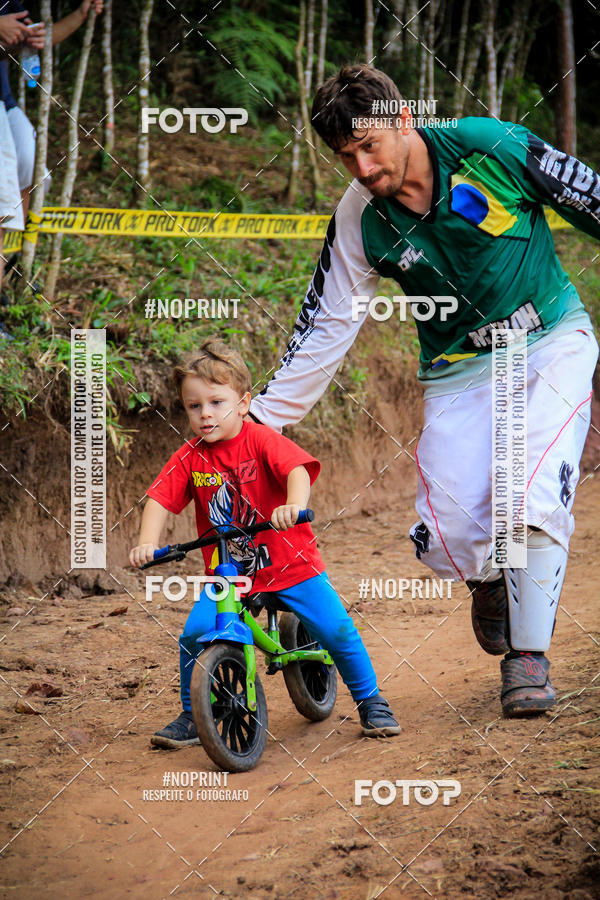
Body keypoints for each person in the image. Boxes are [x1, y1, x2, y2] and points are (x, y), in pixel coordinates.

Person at [248, 64, 600, 717]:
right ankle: (489, 578)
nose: (360, 165)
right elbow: (326, 324)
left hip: (549, 340)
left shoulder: (489, 146)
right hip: (458, 369)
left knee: (528, 493)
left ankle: (529, 659)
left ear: (404, 119)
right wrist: (258, 422)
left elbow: (592, 199)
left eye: (369, 145)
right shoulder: (361, 217)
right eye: (345, 155)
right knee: (448, 537)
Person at [129, 339, 400, 748]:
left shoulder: (261, 440)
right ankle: (192, 713)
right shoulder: (189, 457)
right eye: (194, 406)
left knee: (336, 629)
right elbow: (159, 499)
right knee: (193, 634)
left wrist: (294, 505)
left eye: (217, 402)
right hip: (230, 574)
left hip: (291, 563)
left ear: (243, 403)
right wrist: (147, 543)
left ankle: (370, 699)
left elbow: (298, 471)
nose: (205, 414)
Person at [0, 0, 103, 296]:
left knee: (36, 176)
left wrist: (79, 16)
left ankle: (15, 259)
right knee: (3, 199)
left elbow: (35, 35)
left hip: (5, 103)